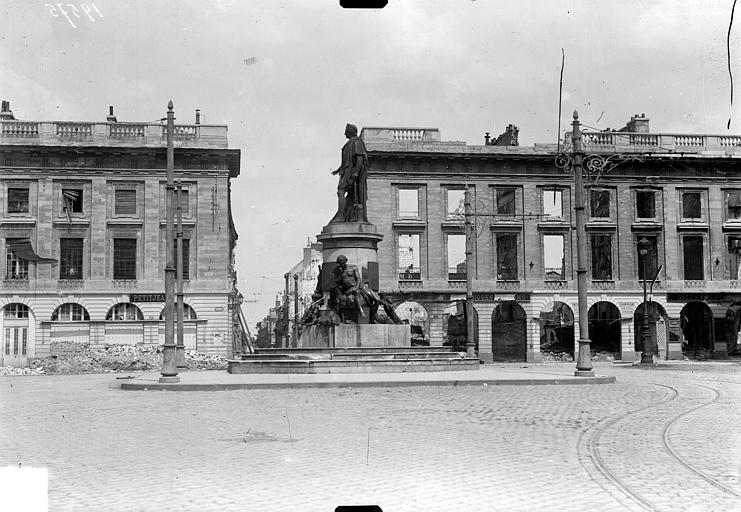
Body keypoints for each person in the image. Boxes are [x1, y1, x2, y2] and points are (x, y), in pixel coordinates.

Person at [330, 123, 368, 223]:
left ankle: (341, 214)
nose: (344, 133)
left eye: (346, 131)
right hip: (346, 171)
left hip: (350, 173)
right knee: (347, 194)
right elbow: (346, 160)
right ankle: (347, 215)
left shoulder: (356, 142)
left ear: (350, 131)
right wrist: (338, 170)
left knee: (341, 191)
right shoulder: (349, 144)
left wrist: (356, 172)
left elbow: (359, 158)